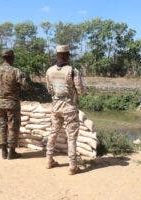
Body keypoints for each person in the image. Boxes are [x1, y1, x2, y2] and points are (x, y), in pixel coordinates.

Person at [45, 45, 84, 175]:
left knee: (53, 133)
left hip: (55, 106)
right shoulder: (73, 71)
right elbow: (80, 90)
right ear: (67, 55)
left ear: (57, 55)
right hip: (69, 107)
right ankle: (72, 166)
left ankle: (49, 160)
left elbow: (49, 90)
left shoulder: (49, 71)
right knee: (71, 137)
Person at [0, 49, 28, 159]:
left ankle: (3, 151)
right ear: (12, 58)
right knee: (13, 126)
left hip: (0, 104)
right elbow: (25, 86)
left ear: (3, 58)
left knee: (2, 126)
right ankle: (12, 152)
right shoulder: (16, 71)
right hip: (12, 104)